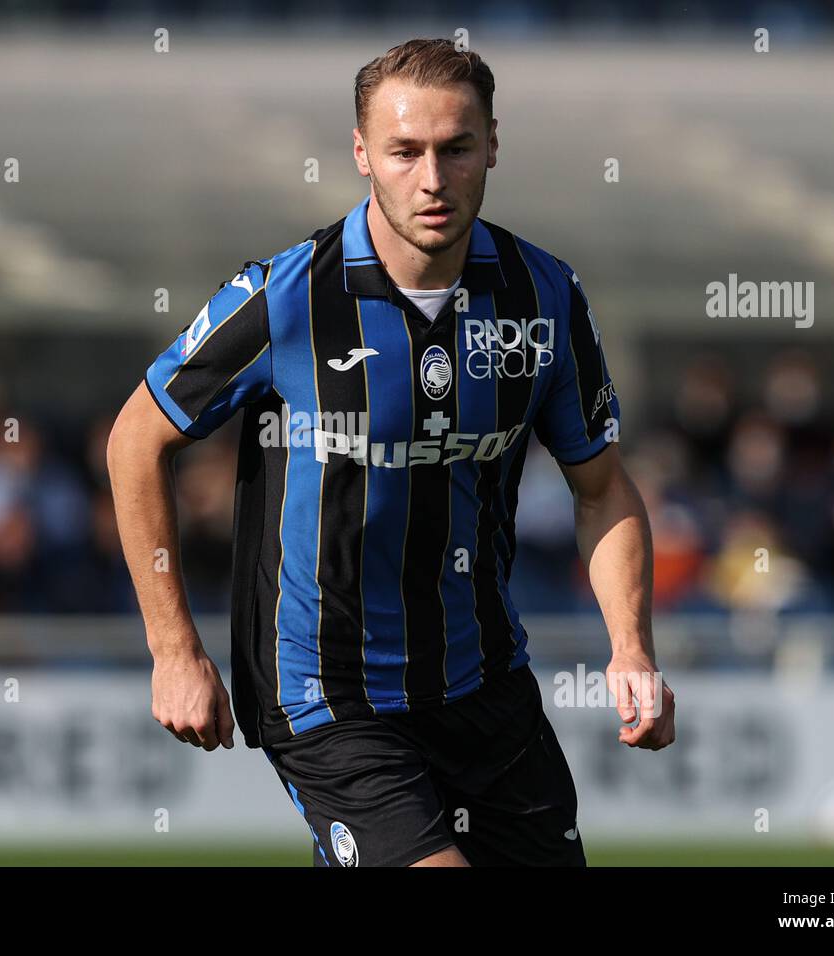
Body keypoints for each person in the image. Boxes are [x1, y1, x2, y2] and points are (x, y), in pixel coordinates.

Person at [108, 38, 674, 867]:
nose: (432, 179)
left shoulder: (544, 297)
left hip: (484, 683)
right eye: (405, 152)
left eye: (456, 149)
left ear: (492, 146)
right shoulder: (288, 295)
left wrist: (631, 649)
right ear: (362, 153)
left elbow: (602, 489)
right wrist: (172, 649)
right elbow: (134, 440)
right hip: (325, 689)